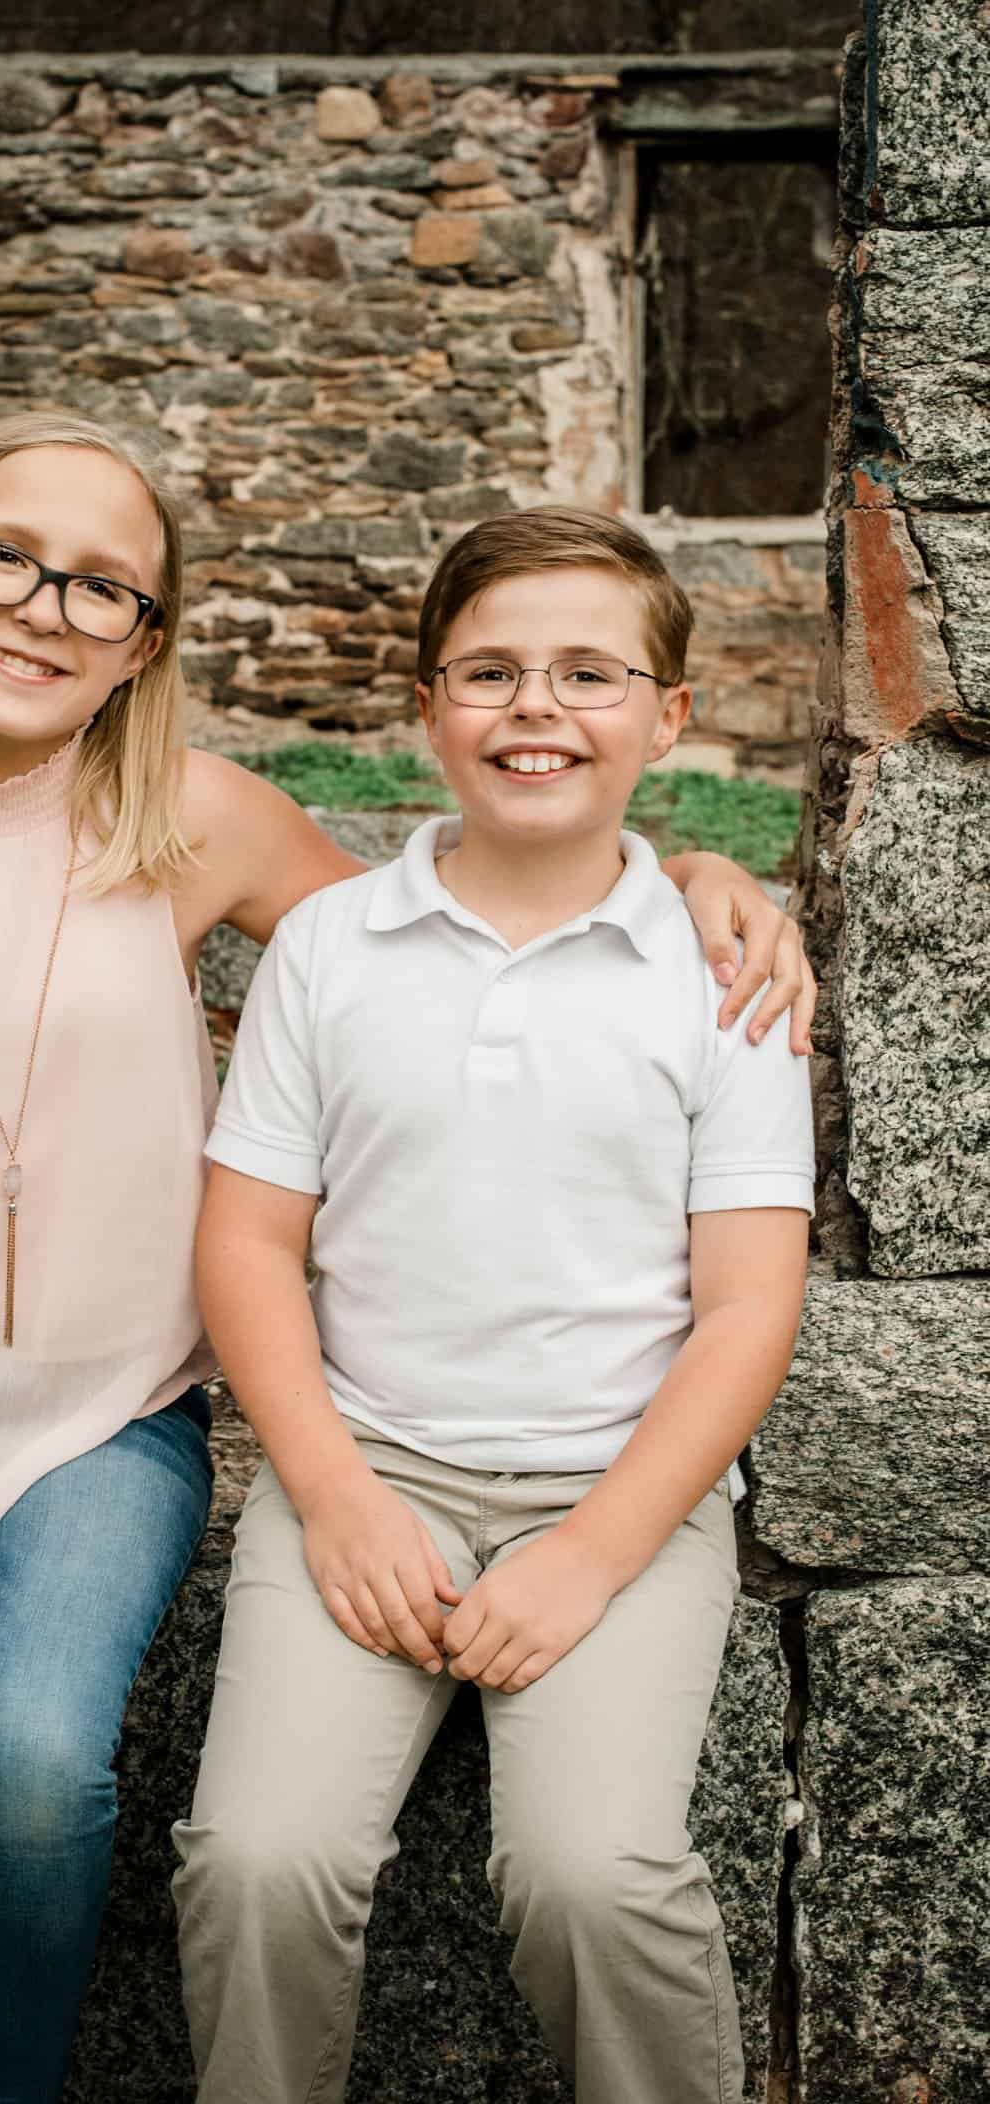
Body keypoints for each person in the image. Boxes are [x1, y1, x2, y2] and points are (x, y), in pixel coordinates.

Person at [0, 414, 812, 2104]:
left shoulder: (193, 820)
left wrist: (696, 875)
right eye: (5, 558)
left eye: (105, 588)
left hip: (104, 1415)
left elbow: (478, 932)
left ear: (148, 637)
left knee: (33, 1767)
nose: (47, 609)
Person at [174, 506, 816, 2104]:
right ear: (429, 707)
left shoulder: (719, 970)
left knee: (593, 1875)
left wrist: (592, 1555)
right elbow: (248, 1247)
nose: (537, 707)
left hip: (623, 1498)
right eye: (491, 672)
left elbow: (746, 1309)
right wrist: (329, 1498)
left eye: (590, 674)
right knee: (257, 1863)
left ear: (670, 718)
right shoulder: (330, 949)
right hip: (369, 1472)